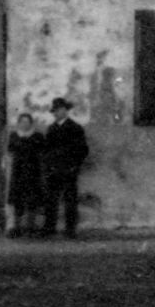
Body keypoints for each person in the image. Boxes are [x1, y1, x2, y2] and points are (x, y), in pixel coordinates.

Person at [38, 96, 89, 238]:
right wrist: (48, 166)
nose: (57, 113)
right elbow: (46, 150)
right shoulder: (51, 128)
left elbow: (83, 150)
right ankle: (49, 228)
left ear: (66, 111)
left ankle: (70, 229)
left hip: (69, 170)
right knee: (51, 200)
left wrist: (74, 166)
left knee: (70, 200)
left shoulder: (75, 128)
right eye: (55, 111)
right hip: (53, 170)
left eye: (59, 110)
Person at [3, 112, 45, 238]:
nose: (24, 124)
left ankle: (30, 227)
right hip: (18, 171)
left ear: (31, 123)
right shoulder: (14, 135)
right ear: (19, 123)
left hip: (33, 171)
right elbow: (11, 149)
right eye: (22, 122)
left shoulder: (38, 136)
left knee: (32, 200)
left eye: (27, 122)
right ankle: (16, 227)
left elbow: (41, 150)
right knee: (17, 200)